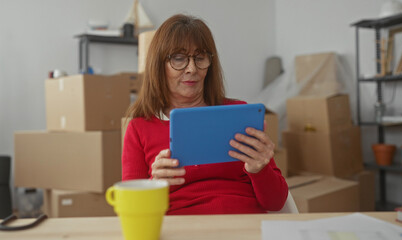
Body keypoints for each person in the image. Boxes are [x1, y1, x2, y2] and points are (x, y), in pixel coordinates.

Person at [122, 14, 288, 215]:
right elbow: (132, 212)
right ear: (159, 65)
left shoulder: (238, 115)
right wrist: (154, 185)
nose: (192, 69)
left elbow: (276, 202)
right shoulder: (140, 127)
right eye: (178, 58)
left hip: (245, 224)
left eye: (200, 58)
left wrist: (260, 169)